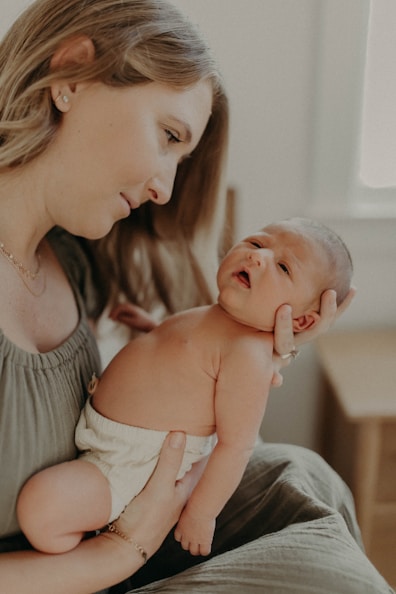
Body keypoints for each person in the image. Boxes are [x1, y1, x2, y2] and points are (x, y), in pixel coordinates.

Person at [0, 0, 392, 592]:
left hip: (114, 522)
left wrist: (260, 345)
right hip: (77, 564)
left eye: (181, 159)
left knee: (304, 474)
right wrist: (118, 553)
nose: (163, 189)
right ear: (73, 74)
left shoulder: (76, 261)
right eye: (168, 135)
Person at [17, 216, 354, 558]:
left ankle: (86, 552)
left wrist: (200, 514)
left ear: (301, 321)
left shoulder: (249, 355)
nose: (258, 257)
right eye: (256, 243)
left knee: (40, 508)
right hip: (110, 440)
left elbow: (236, 445)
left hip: (129, 467)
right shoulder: (223, 316)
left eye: (283, 267)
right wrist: (154, 330)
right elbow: (188, 356)